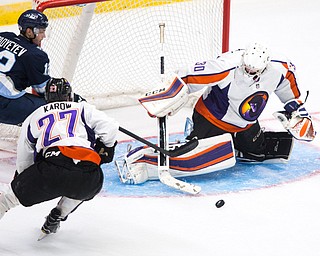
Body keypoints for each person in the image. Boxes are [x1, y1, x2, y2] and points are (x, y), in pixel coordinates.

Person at [117, 42, 316, 185]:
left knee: (261, 152)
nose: (248, 72)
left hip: (244, 123)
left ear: (264, 68)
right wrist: (169, 94)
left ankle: (234, 143)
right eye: (246, 68)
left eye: (253, 70)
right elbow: (186, 75)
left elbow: (292, 95)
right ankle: (141, 159)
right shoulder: (225, 67)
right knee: (198, 160)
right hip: (211, 119)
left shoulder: (280, 69)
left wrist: (298, 113)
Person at [0, 78, 119, 239]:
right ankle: (59, 214)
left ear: (46, 96)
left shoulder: (34, 115)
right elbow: (110, 127)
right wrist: (107, 147)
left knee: (7, 199)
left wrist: (24, 180)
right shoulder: (83, 108)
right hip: (89, 176)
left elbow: (24, 154)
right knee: (79, 183)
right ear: (70, 95)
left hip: (51, 168)